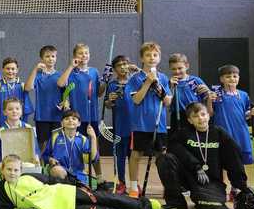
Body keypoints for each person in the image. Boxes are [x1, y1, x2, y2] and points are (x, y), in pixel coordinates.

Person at [157, 103, 254, 209]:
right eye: (195, 116)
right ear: (190, 120)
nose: (200, 118)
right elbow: (174, 149)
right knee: (165, 159)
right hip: (187, 176)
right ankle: (176, 202)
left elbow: (234, 159)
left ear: (208, 116)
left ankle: (201, 196)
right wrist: (196, 166)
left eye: (203, 114)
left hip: (209, 180)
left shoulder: (219, 133)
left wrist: (242, 186)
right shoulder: (183, 133)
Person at [0, 154, 160, 209]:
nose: (12, 173)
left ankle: (143, 205)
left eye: (16, 170)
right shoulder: (2, 189)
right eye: (9, 169)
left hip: (67, 193)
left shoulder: (28, 177)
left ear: (21, 170)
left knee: (106, 198)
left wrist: (75, 184)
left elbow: (52, 181)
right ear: (2, 170)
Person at [127, 42, 172, 198]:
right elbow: (136, 100)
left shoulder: (163, 78)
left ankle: (169, 187)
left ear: (159, 58)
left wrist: (159, 87)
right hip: (140, 124)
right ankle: (133, 187)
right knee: (136, 154)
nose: (152, 58)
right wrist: (147, 82)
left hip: (159, 125)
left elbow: (167, 102)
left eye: (155, 55)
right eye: (148, 55)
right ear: (142, 58)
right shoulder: (135, 78)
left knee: (162, 157)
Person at [57, 43, 105, 181]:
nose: (84, 56)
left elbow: (99, 93)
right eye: (80, 53)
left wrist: (105, 82)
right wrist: (71, 66)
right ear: (75, 56)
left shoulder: (94, 72)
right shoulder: (71, 72)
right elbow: (60, 84)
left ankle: (99, 177)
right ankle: (80, 175)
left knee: (94, 146)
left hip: (92, 116)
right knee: (76, 147)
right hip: (75, 118)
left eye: (86, 53)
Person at [208, 64, 254, 166]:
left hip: (240, 132)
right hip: (223, 132)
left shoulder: (244, 95)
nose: (232, 79)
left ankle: (239, 177)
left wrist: (252, 113)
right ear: (221, 79)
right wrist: (209, 101)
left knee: (239, 161)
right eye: (228, 76)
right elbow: (210, 114)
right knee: (223, 161)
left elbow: (246, 114)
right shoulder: (216, 94)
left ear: (238, 78)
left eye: (235, 76)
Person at [104, 55, 134, 194]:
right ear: (115, 69)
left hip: (134, 127)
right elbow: (107, 105)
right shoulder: (112, 85)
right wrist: (110, 101)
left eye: (125, 64)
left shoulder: (136, 82)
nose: (122, 67)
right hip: (119, 127)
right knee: (119, 157)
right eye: (119, 65)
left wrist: (137, 71)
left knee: (133, 157)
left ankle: (134, 184)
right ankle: (121, 183)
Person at [43, 110, 98, 185]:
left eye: (74, 119)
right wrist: (50, 159)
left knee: (79, 188)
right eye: (66, 119)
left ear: (79, 123)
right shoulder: (55, 137)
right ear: (62, 123)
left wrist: (93, 138)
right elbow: (45, 156)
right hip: (60, 170)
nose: (70, 120)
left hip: (78, 174)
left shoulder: (83, 139)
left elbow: (92, 158)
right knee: (57, 171)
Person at [24, 45, 63, 151]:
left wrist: (65, 103)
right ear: (42, 59)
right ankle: (43, 162)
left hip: (57, 116)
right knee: (43, 145)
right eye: (47, 56)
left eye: (53, 56)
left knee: (57, 144)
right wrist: (35, 69)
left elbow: (66, 94)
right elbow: (27, 88)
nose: (50, 59)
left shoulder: (60, 75)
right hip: (42, 116)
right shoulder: (38, 75)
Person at [167, 53, 212, 132]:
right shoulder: (169, 83)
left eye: (180, 68)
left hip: (195, 114)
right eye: (174, 69)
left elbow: (208, 97)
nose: (177, 71)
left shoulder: (195, 81)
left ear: (187, 66)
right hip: (177, 116)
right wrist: (170, 87)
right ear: (170, 68)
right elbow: (167, 102)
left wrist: (208, 92)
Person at [0, 98, 40, 165]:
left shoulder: (28, 128)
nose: (14, 111)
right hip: (8, 165)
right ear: (4, 112)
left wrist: (37, 159)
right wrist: (0, 164)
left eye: (17, 109)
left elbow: (35, 149)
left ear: (21, 111)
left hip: (26, 163)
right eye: (10, 109)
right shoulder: (1, 131)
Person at [0, 57, 33, 131]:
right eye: (7, 69)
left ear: (17, 70)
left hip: (19, 123)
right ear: (3, 69)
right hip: (2, 122)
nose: (10, 71)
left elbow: (26, 107)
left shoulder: (22, 86)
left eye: (13, 69)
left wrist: (24, 122)